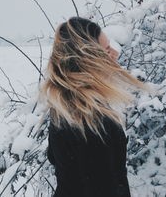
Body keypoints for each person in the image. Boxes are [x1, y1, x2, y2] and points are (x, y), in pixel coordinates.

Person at [38, 16, 154, 197]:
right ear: (88, 60)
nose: (115, 54)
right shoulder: (92, 123)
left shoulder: (65, 109)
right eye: (107, 50)